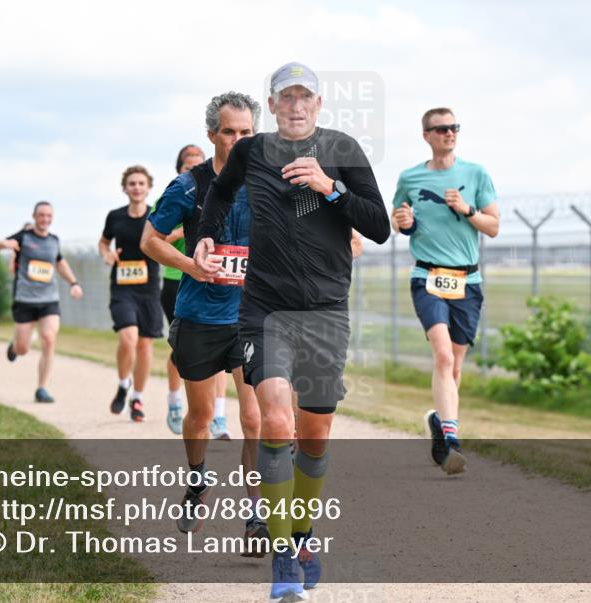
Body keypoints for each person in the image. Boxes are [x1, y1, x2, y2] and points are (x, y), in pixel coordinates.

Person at [194, 64, 390, 599]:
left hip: (326, 311)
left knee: (315, 434)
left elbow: (378, 226)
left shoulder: (343, 148)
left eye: (305, 97)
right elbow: (219, 194)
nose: (296, 105)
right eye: (287, 97)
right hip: (266, 310)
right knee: (276, 420)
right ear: (273, 104)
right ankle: (283, 556)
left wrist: (331, 188)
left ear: (319, 104)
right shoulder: (251, 151)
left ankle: (301, 533)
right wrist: (207, 235)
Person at [142, 91, 268, 553]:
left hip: (250, 317)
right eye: (229, 132)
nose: (238, 140)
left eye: (247, 132)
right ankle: (197, 480)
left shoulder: (268, 181)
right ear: (212, 134)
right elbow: (150, 240)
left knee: (253, 417)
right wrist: (190, 266)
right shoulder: (188, 186)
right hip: (199, 316)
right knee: (199, 417)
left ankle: (256, 516)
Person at [392, 107, 499, 475]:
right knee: (442, 356)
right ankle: (452, 439)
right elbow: (398, 219)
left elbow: (493, 226)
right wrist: (404, 222)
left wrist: (466, 209)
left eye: (454, 127)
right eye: (441, 129)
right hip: (428, 277)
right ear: (426, 135)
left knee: (454, 363)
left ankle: (440, 421)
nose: (449, 133)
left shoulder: (476, 174)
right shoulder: (410, 177)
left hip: (467, 280)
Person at [0, 201, 83, 403]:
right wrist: (3, 244)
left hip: (49, 299)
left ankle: (42, 388)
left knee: (49, 338)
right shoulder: (23, 236)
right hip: (25, 299)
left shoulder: (54, 240)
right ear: (34, 216)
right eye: (41, 215)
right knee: (23, 348)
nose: (45, 219)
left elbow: (60, 263)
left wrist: (73, 283)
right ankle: (15, 347)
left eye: (49, 216)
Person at [100, 166, 163, 422]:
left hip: (149, 289)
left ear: (148, 188)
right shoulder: (115, 216)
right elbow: (104, 242)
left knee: (145, 345)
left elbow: (166, 238)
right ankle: (123, 383)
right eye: (132, 183)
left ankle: (136, 398)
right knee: (128, 338)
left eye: (141, 183)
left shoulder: (156, 216)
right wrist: (107, 254)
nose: (136, 187)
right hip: (122, 288)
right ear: (125, 188)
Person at [159, 145, 206, 434]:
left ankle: (217, 414)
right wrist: (180, 230)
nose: (194, 171)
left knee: (217, 349)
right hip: (176, 279)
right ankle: (176, 401)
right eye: (189, 167)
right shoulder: (173, 195)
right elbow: (154, 238)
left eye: (199, 166)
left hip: (209, 281)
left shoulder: (217, 193)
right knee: (182, 349)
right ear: (179, 169)